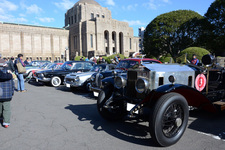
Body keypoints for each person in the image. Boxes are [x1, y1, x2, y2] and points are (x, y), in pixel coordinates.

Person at [0, 62, 14, 128]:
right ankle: (6, 122)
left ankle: (1, 118)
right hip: (7, 94)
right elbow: (12, 84)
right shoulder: (9, 74)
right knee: (7, 109)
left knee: (0, 108)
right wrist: (12, 92)